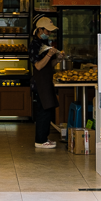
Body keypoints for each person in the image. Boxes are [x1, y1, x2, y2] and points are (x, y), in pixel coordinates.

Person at [30, 15, 63, 149]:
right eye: (47, 31)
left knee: (48, 110)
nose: (49, 33)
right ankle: (40, 140)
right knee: (43, 112)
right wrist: (49, 54)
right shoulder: (34, 45)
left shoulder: (45, 43)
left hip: (46, 81)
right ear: (40, 30)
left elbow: (49, 65)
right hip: (40, 84)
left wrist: (58, 59)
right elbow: (38, 66)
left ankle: (44, 138)